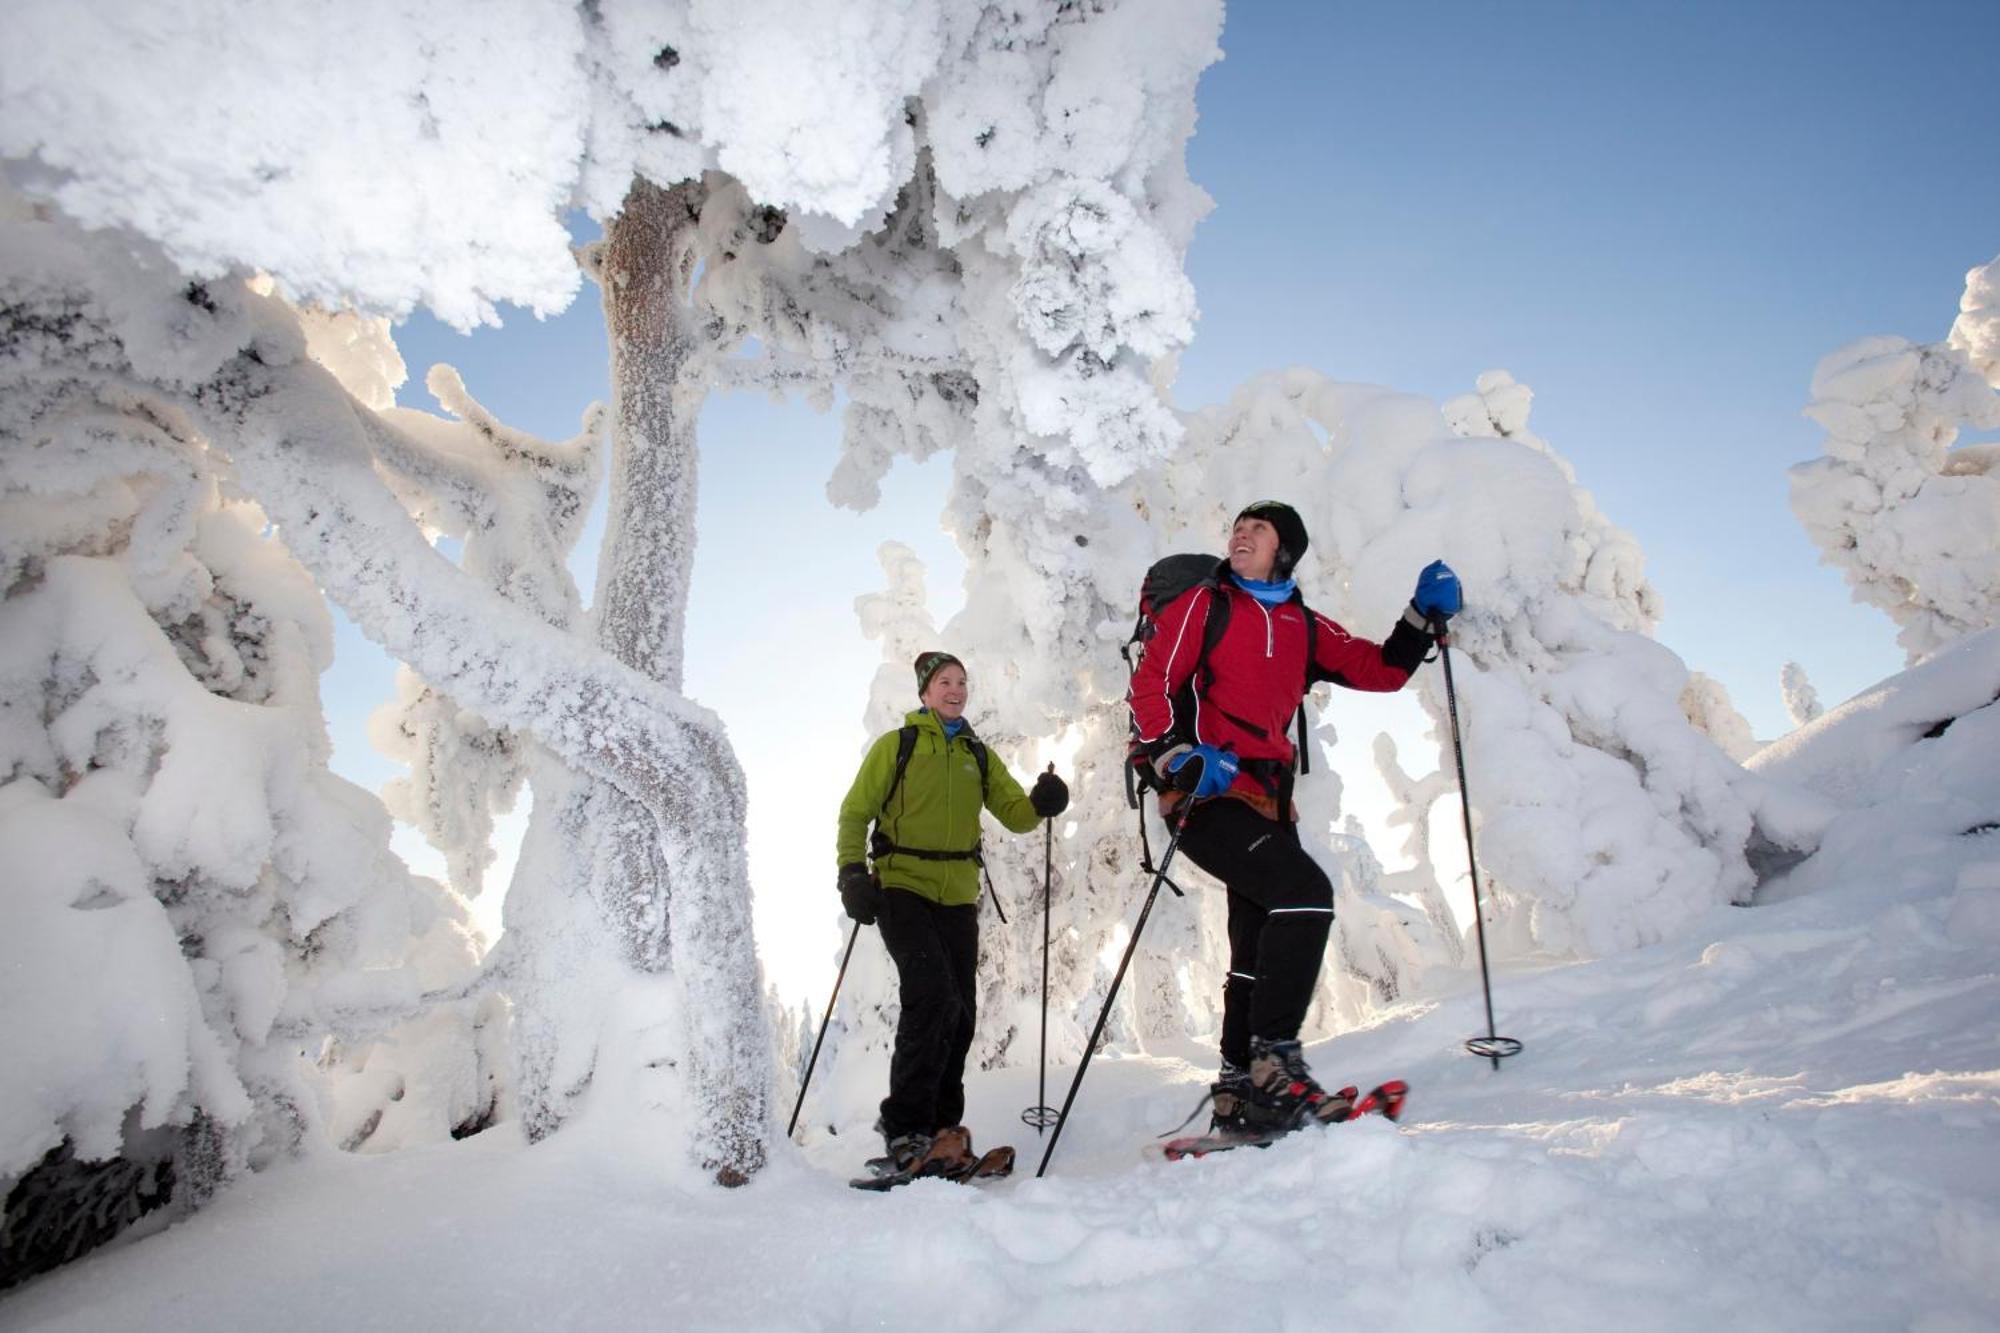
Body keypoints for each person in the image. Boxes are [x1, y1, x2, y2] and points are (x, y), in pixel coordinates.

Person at [1127, 500, 1460, 1136]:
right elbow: (1151, 684)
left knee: (1256, 943)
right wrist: (1175, 757)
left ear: (1285, 549)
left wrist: (1421, 617)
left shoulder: (1303, 625)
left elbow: (1381, 669)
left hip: (1270, 802)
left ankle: (1238, 1088)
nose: (1239, 534)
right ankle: (1274, 1067)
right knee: (1305, 894)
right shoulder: (1206, 603)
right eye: (1236, 527)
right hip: (1205, 794)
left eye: (1257, 529)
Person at [836, 650, 1069, 1173]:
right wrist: (852, 874)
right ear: (924, 691)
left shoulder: (976, 753)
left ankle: (943, 1131)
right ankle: (906, 1133)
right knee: (932, 996)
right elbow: (855, 812)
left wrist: (1043, 801)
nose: (956, 689)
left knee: (960, 1012)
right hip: (901, 886)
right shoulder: (898, 746)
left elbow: (1016, 814)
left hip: (959, 895)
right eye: (945, 681)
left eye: (962, 681)